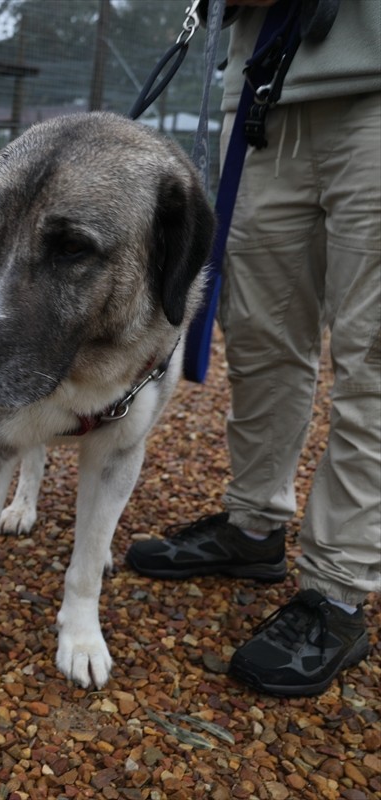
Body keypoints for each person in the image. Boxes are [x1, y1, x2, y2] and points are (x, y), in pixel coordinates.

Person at [124, 0, 380, 697]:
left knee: (373, 364)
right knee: (262, 341)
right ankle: (254, 524)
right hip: (265, 96)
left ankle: (337, 592)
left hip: (373, 94)